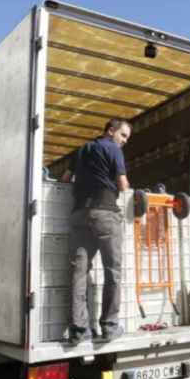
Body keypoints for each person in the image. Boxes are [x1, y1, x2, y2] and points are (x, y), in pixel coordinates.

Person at [60, 119, 131, 345]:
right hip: (105, 213)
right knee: (113, 271)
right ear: (111, 131)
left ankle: (79, 330)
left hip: (79, 214)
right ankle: (109, 326)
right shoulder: (113, 149)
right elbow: (123, 185)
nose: (124, 141)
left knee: (78, 272)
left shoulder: (80, 151)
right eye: (123, 135)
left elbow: (64, 180)